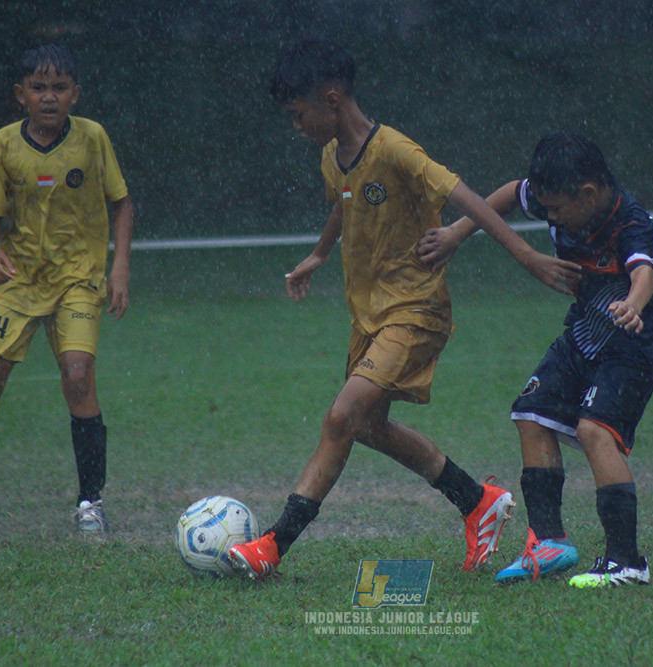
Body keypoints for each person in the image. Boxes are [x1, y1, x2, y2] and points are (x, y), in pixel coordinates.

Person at [227, 40, 577, 579]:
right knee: (367, 426)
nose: (296, 126)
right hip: (367, 315)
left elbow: (469, 199)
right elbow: (344, 203)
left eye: (299, 115)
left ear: (332, 98)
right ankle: (476, 501)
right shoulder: (330, 156)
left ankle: (273, 544)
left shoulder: (395, 150)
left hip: (415, 309)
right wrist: (320, 253)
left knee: (341, 416)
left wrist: (528, 257)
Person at [419, 131, 653, 587]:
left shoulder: (629, 220)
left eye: (555, 210)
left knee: (595, 431)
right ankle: (550, 541)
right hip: (587, 324)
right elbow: (508, 195)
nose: (549, 216)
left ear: (588, 194)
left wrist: (633, 305)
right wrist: (457, 233)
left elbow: (644, 271)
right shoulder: (553, 196)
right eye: (544, 207)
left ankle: (627, 561)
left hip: (637, 333)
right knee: (531, 414)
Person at [0, 44, 133, 534]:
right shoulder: (4, 144)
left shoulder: (93, 138)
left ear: (75, 94)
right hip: (20, 279)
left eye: (58, 87)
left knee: (79, 376)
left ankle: (89, 503)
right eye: (38, 87)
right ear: (20, 95)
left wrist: (119, 269)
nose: (48, 97)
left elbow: (121, 203)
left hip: (78, 277)